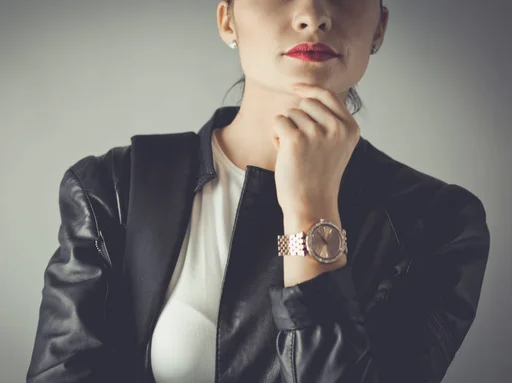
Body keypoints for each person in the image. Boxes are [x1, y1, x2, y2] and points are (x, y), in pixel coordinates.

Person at [26, 0, 491, 382]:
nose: (313, 14)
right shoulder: (115, 189)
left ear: (379, 28)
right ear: (227, 18)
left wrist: (311, 210)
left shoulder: (439, 223)